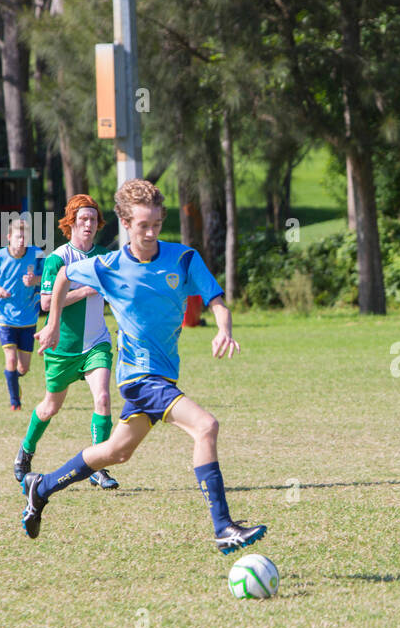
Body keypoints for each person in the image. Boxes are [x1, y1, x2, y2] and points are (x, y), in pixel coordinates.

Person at [20, 179, 266, 554]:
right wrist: (52, 322)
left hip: (163, 374)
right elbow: (65, 276)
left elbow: (217, 299)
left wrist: (223, 328)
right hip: (139, 377)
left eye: (156, 224)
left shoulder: (183, 258)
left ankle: (43, 487)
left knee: (116, 452)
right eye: (142, 226)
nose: (150, 233)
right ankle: (223, 527)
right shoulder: (109, 264)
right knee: (206, 426)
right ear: (126, 224)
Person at [14, 194, 119, 490]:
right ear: (71, 223)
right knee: (50, 407)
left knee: (103, 398)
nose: (88, 224)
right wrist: (85, 291)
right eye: (82, 219)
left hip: (96, 343)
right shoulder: (58, 258)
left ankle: (98, 466)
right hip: (62, 347)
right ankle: (26, 450)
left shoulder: (104, 257)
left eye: (93, 220)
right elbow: (46, 303)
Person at [0, 219, 42, 410]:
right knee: (11, 359)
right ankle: (15, 402)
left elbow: (50, 277)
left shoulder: (37, 255)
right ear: (9, 238)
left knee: (23, 368)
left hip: (28, 317)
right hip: (5, 317)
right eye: (18, 236)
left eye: (25, 237)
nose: (21, 240)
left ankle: (13, 380)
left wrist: (35, 281)